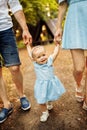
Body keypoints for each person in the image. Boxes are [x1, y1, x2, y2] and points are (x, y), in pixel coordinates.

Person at [0, 0, 32, 123]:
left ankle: (22, 95)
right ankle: (7, 105)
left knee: (14, 67)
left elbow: (15, 5)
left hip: (5, 29)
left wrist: (25, 28)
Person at [54, 0, 87, 110]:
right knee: (79, 68)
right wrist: (58, 27)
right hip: (75, 19)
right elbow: (63, 4)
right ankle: (78, 84)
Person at [27, 44, 65, 122]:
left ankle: (49, 103)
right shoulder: (36, 64)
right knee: (41, 100)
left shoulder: (50, 61)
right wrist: (27, 45)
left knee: (50, 95)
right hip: (41, 86)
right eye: (39, 57)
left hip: (50, 84)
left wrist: (57, 45)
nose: (42, 58)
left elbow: (55, 53)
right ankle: (45, 113)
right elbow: (30, 54)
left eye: (43, 55)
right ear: (34, 59)